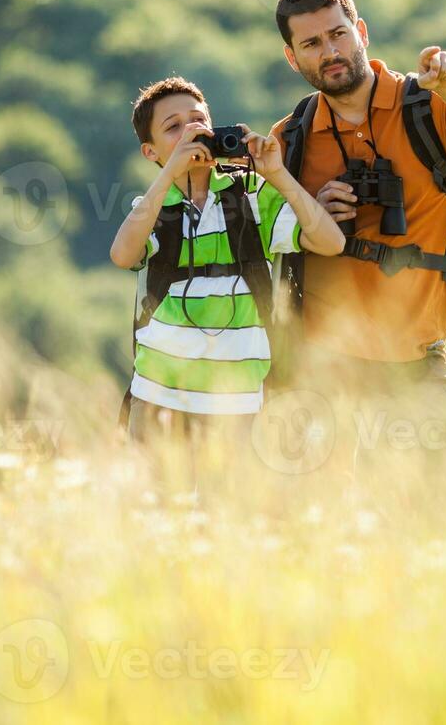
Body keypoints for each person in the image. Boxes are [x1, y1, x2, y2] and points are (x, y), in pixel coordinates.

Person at [267, 0, 446, 500]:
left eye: (337, 35)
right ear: (293, 58)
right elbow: (267, 236)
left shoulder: (425, 105)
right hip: (324, 366)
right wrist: (314, 216)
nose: (329, 51)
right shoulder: (290, 140)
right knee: (325, 534)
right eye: (311, 44)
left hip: (415, 358)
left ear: (361, 30)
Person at [109, 76, 344, 456]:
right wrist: (170, 175)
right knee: (159, 512)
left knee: (231, 513)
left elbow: (331, 242)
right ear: (150, 152)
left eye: (198, 120)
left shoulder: (252, 197)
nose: (191, 131)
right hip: (158, 395)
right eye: (174, 128)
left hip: (239, 401)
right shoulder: (154, 207)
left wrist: (276, 174)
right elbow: (122, 255)